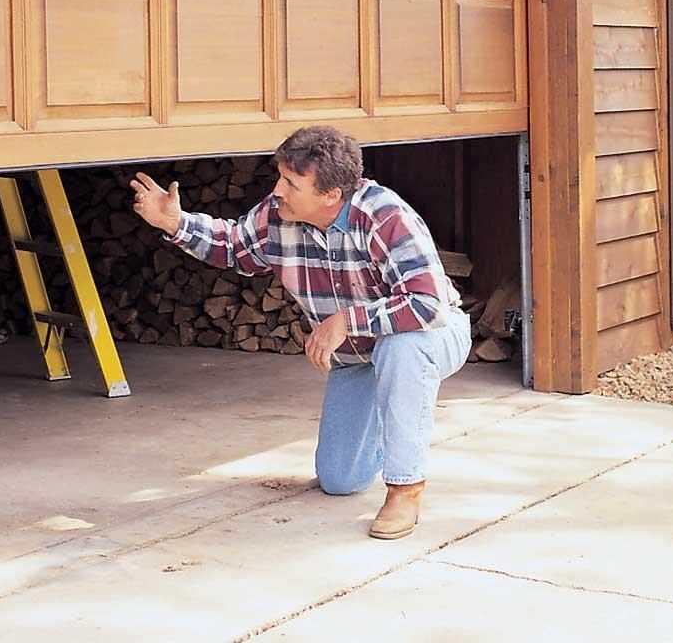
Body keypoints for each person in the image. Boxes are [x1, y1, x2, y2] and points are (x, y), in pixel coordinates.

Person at [130, 125, 471, 539]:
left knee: (402, 349)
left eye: (291, 183)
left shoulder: (385, 215)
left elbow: (427, 304)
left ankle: (405, 488)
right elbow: (235, 246)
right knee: (339, 480)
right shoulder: (278, 215)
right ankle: (396, 419)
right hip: (356, 360)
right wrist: (175, 222)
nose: (277, 190)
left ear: (331, 195)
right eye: (280, 177)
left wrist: (346, 321)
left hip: (431, 335)